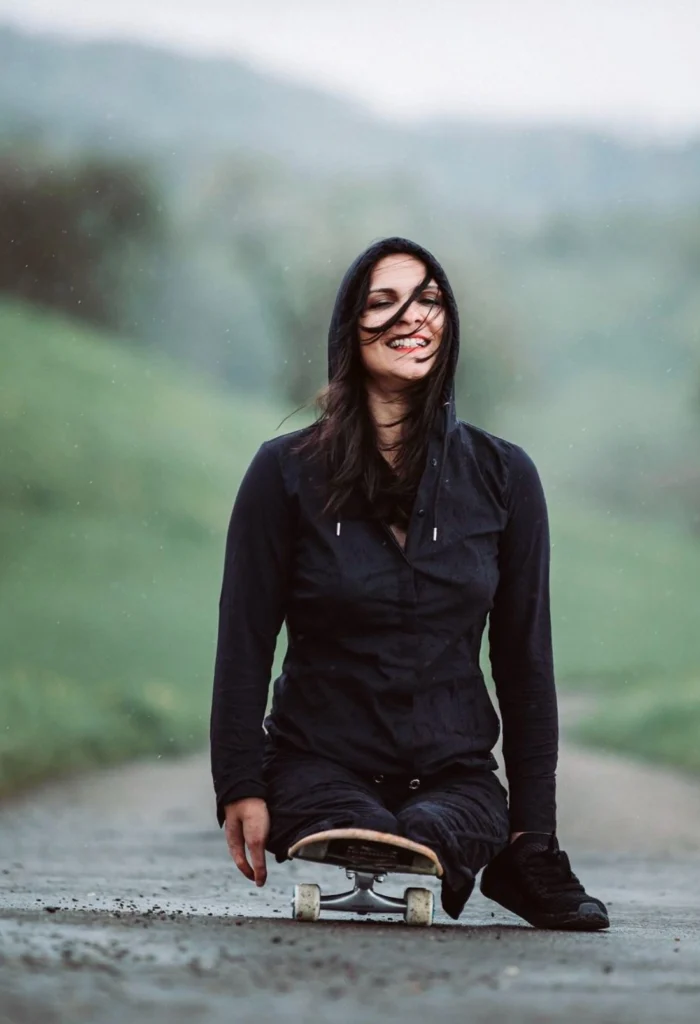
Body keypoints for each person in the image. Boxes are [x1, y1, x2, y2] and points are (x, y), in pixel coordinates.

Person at [210, 237, 609, 930]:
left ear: (448, 324)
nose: (412, 316)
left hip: (455, 777)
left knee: (441, 822)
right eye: (383, 302)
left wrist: (532, 837)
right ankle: (377, 831)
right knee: (354, 820)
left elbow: (523, 661)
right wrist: (239, 784)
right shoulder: (282, 474)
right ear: (347, 330)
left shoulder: (506, 477)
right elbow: (243, 640)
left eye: (429, 299)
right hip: (315, 767)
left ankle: (450, 845)